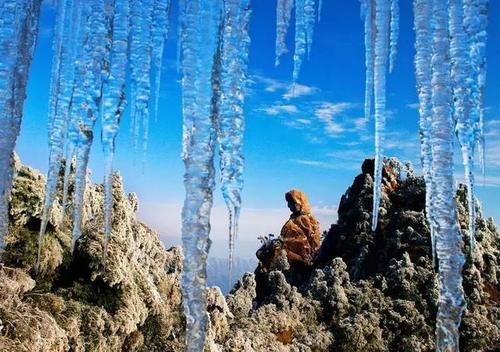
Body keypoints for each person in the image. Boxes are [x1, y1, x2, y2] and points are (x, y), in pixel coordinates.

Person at [280, 189, 321, 266]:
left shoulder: (305, 219)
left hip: (302, 261)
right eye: (289, 203)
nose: (289, 206)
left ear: (300, 202)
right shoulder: (295, 218)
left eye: (292, 203)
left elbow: (313, 242)